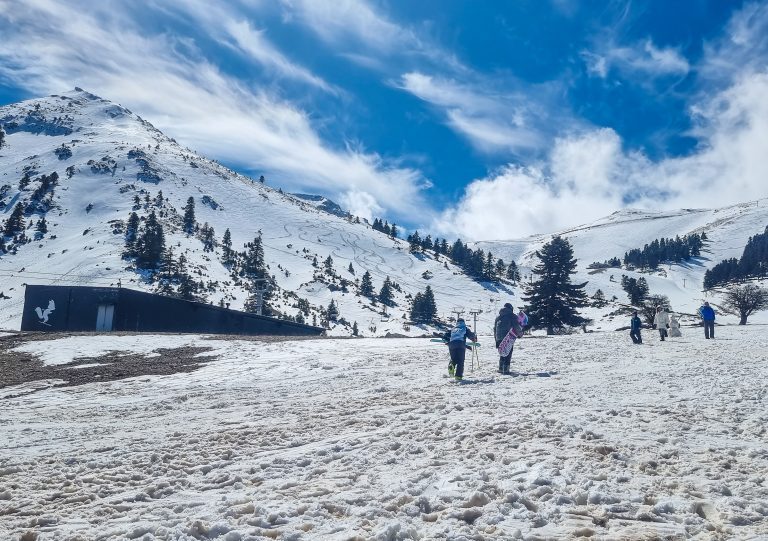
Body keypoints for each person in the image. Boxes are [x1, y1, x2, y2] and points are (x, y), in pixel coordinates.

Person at [494, 303, 523, 374]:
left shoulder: (498, 317)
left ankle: (501, 368)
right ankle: (506, 369)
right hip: (508, 336)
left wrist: (496, 340)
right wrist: (520, 334)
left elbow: (494, 329)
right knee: (508, 352)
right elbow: (516, 326)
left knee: (502, 352)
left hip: (499, 337)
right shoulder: (512, 316)